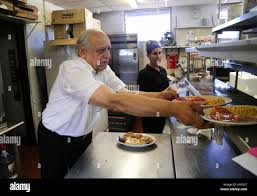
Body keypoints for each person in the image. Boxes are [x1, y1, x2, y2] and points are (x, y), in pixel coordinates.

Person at [38, 29, 209, 178]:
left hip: (83, 137)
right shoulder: (72, 70)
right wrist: (173, 109)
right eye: (101, 50)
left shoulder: (102, 69)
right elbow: (114, 101)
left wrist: (161, 95)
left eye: (109, 49)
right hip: (56, 139)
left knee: (81, 175)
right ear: (83, 52)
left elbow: (125, 93)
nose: (107, 55)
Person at [137, 40, 169, 133]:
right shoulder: (143, 73)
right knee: (152, 137)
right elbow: (142, 96)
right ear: (148, 56)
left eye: (160, 53)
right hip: (150, 113)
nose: (158, 56)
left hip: (163, 110)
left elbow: (166, 88)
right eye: (154, 53)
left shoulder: (163, 70)